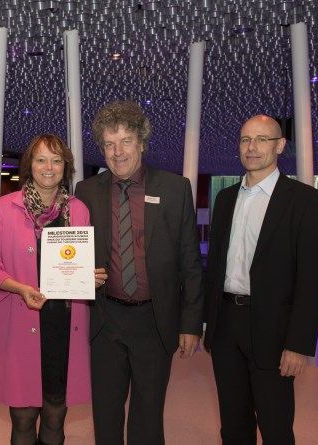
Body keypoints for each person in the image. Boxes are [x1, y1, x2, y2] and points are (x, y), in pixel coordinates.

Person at [75, 101, 203, 445]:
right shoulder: (86, 191)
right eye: (109, 144)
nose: (117, 152)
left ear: (142, 143)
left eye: (126, 141)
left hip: (154, 320)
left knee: (148, 414)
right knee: (106, 412)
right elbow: (75, 249)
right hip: (105, 319)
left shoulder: (175, 189)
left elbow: (190, 262)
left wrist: (191, 324)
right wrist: (78, 273)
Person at [204, 115, 318, 444]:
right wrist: (206, 322)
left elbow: (312, 280)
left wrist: (298, 345)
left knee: (275, 427)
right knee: (233, 424)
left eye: (262, 139)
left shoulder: (306, 201)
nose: (252, 147)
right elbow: (214, 267)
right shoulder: (225, 199)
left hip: (274, 330)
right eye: (246, 139)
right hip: (226, 325)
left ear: (280, 146)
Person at [0, 134, 107, 445]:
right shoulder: (4, 208)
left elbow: (79, 262)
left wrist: (89, 277)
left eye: (56, 160)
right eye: (41, 160)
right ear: (30, 165)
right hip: (19, 322)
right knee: (23, 418)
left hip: (63, 328)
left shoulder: (79, 210)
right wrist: (19, 288)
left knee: (55, 415)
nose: (49, 167)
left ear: (65, 166)